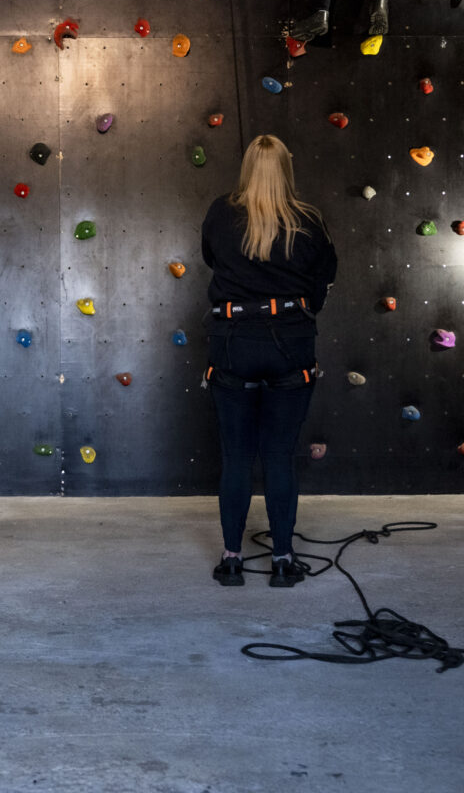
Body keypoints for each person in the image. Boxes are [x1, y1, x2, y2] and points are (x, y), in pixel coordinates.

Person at [199, 135, 338, 587]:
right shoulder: (309, 220)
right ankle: (282, 561)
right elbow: (323, 281)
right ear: (286, 168)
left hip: (233, 341)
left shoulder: (221, 213)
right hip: (290, 344)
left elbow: (211, 259)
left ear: (247, 168)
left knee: (236, 456)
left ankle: (231, 560)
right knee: (279, 455)